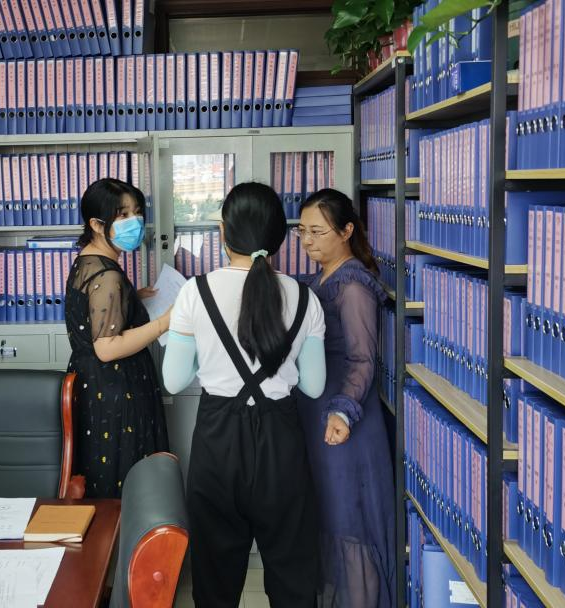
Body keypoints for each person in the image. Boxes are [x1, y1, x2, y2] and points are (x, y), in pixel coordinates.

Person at [163, 182, 328, 608]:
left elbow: (174, 380)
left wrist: (208, 358)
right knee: (292, 576)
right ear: (280, 237)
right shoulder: (305, 297)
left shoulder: (195, 292)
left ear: (223, 232)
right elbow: (313, 386)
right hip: (281, 443)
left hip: (218, 442)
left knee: (215, 581)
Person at [295, 188, 395, 608]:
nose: (307, 241)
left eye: (317, 232)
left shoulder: (352, 284)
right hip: (322, 416)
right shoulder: (321, 278)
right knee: (331, 518)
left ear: (346, 231)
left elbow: (362, 359)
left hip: (344, 422)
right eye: (302, 231)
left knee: (350, 522)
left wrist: (342, 412)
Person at [65, 178, 169, 499]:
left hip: (92, 385)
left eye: (136, 212)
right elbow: (107, 348)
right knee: (125, 482)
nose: (134, 222)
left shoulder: (87, 262)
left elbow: (91, 314)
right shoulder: (107, 275)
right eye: (122, 215)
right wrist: (164, 323)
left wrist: (131, 298)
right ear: (97, 225)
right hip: (115, 392)